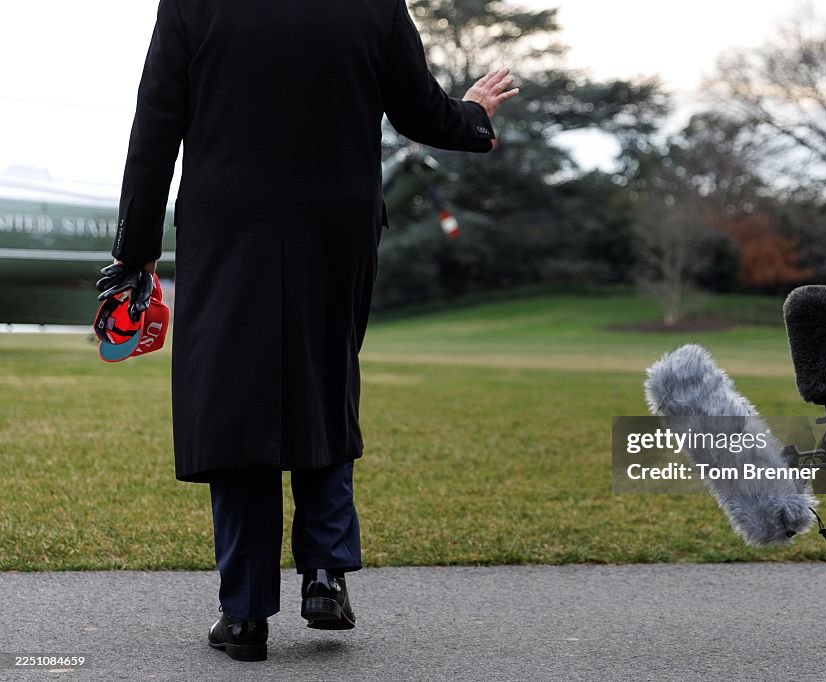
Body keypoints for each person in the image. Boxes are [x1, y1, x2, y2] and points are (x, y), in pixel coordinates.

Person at [99, 0, 519, 663]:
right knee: (324, 380)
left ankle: (243, 617)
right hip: (337, 223)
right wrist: (472, 117)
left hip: (229, 226)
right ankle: (325, 573)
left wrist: (135, 245)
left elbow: (158, 121)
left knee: (234, 401)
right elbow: (416, 108)